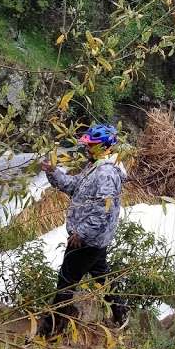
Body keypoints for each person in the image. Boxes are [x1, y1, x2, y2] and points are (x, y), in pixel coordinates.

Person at [39, 123, 128, 336]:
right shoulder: (95, 166)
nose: (86, 149)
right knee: (102, 277)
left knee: (66, 282)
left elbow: (103, 209)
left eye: (91, 145)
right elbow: (73, 186)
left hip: (87, 240)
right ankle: (121, 312)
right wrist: (53, 172)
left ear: (105, 146)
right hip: (97, 239)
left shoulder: (106, 173)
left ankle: (50, 329)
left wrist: (82, 233)